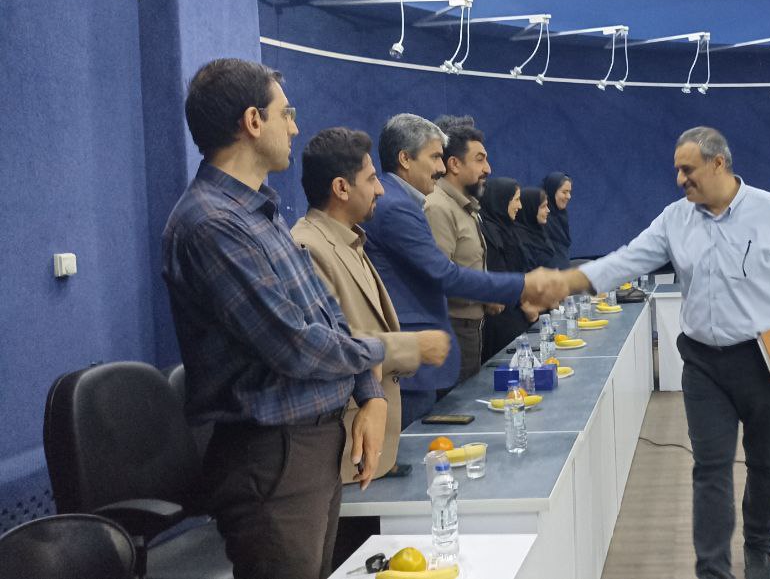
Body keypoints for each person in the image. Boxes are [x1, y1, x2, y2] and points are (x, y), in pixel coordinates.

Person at [162, 59, 427, 579]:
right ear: (252, 121)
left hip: (311, 447)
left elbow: (327, 314)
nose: (295, 127)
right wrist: (382, 351)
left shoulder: (259, 213)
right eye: (286, 113)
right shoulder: (211, 225)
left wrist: (369, 393)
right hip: (272, 456)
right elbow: (295, 345)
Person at [562, 127, 770, 579]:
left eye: (687, 169)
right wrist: (570, 281)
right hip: (703, 364)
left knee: (767, 462)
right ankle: (712, 569)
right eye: (677, 170)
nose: (679, 179)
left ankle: (759, 547)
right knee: (710, 467)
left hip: (763, 360)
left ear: (718, 164)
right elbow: (629, 259)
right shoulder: (675, 219)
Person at [363, 113, 568, 428]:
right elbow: (445, 275)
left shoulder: (408, 202)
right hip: (414, 358)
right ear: (405, 159)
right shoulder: (398, 207)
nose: (440, 167)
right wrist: (523, 285)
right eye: (434, 157)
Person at [291, 127, 451, 485]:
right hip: (342, 452)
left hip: (371, 447)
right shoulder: (308, 247)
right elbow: (331, 342)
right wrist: (414, 346)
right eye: (371, 179)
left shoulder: (351, 241)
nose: (380, 189)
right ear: (341, 188)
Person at [424, 115, 491, 381]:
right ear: (454, 164)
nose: (488, 169)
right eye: (480, 159)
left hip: (471, 328)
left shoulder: (466, 207)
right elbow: (439, 279)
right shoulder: (438, 207)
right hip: (454, 331)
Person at [479, 177, 537, 360]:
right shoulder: (490, 235)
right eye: (516, 200)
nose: (520, 206)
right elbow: (501, 276)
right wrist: (525, 304)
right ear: (501, 200)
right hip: (501, 322)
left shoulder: (508, 229)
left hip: (517, 313)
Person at [514, 186, 556, 269]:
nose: (548, 210)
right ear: (530, 209)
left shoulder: (539, 231)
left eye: (547, 206)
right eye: (543, 206)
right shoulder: (518, 240)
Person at [543, 172, 573, 268]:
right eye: (564, 192)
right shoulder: (541, 219)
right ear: (552, 192)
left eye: (569, 192)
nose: (569, 196)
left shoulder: (561, 215)